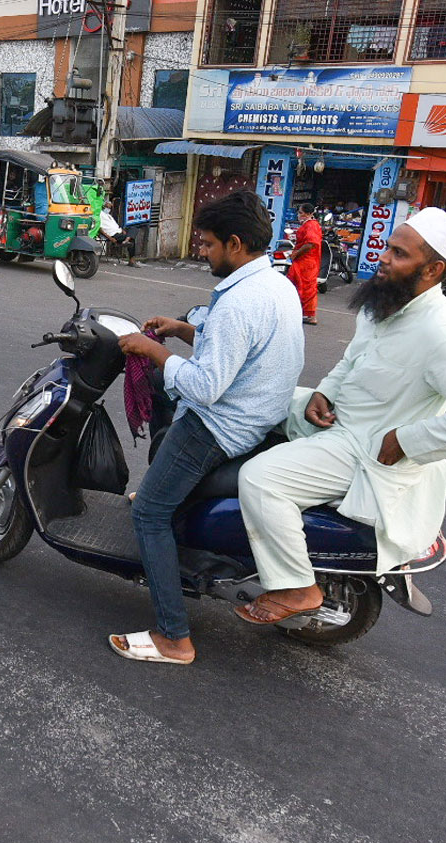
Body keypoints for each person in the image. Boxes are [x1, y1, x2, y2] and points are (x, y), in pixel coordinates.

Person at [235, 208, 446, 626]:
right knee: (252, 399)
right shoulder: (385, 304)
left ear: (433, 269)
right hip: (338, 417)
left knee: (260, 479)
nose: (383, 257)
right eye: (387, 247)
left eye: (399, 254)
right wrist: (325, 389)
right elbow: (352, 358)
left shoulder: (441, 332)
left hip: (363, 447)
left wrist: (408, 440)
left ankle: (296, 585)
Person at [107, 191, 304, 665]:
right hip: (260, 420)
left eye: (209, 244)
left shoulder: (238, 302)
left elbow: (206, 385)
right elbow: (240, 348)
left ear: (235, 244)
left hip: (219, 428)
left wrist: (155, 351)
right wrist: (181, 329)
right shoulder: (276, 285)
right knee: (158, 489)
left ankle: (173, 637)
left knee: (147, 514)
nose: (203, 251)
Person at [288, 203, 323, 325]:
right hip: (303, 260)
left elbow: (310, 243)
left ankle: (310, 315)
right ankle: (300, 312)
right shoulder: (309, 225)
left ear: (309, 214)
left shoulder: (311, 225)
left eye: (301, 213)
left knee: (306, 287)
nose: (299, 215)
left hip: (307, 261)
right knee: (297, 284)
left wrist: (296, 253)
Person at [99, 200, 137, 266]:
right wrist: (110, 238)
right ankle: (131, 260)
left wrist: (122, 230)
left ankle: (126, 240)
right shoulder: (100, 215)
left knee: (134, 228)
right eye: (107, 207)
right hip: (113, 235)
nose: (108, 209)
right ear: (104, 206)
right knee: (132, 240)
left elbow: (116, 226)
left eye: (110, 207)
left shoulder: (109, 216)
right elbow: (100, 229)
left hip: (119, 232)